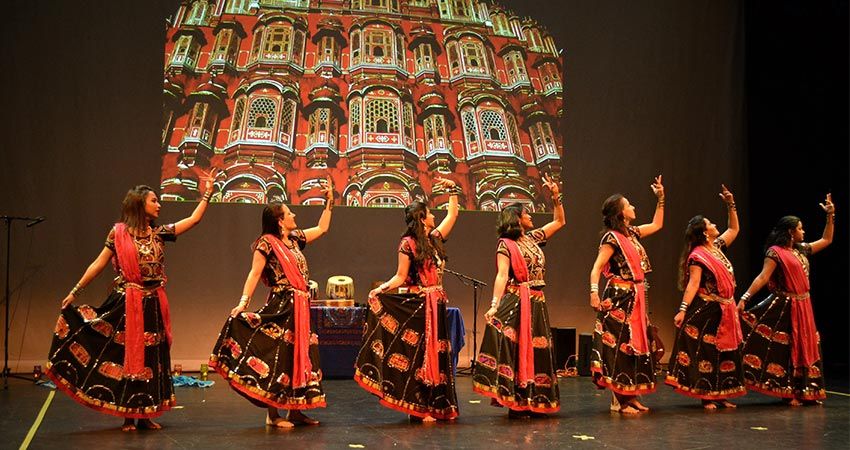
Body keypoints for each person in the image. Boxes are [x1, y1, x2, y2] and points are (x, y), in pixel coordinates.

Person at [47, 173, 216, 431]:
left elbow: (193, 220)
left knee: (152, 358)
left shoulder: (159, 233)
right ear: (140, 205)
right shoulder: (119, 234)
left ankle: (146, 414)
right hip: (127, 303)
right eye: (154, 201)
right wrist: (75, 291)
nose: (159, 205)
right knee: (128, 357)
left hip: (153, 304)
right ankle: (128, 415)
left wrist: (208, 192)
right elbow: (99, 263)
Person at [210, 177, 334, 428]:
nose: (294, 214)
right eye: (289, 212)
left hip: (301, 306)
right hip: (282, 306)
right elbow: (254, 273)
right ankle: (273, 414)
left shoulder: (296, 239)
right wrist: (243, 303)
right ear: (280, 220)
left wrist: (330, 201)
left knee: (302, 356)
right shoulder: (266, 243)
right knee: (279, 358)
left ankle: (297, 411)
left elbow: (321, 229)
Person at [354, 177, 460, 422]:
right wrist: (380, 290)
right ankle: (418, 408)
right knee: (419, 357)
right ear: (422, 217)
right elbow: (401, 277)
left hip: (438, 304)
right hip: (421, 306)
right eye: (430, 213)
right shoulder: (407, 244)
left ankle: (435, 405)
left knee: (439, 354)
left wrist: (452, 189)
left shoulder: (433, 239)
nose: (434, 216)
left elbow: (452, 216)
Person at [472, 175, 565, 418]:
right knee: (516, 349)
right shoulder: (505, 244)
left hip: (536, 302)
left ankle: (536, 399)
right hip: (517, 301)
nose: (531, 217)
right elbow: (502, 275)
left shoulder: (534, 238)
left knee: (537, 349)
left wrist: (556, 197)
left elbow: (559, 221)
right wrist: (494, 305)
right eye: (527, 214)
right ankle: (517, 401)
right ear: (517, 219)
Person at [738, 194, 835, 406]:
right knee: (787, 347)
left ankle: (807, 390)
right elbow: (763, 277)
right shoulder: (775, 252)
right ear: (791, 231)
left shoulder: (801, 250)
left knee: (807, 345)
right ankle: (788, 391)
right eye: (800, 228)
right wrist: (745, 297)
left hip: (805, 305)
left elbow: (827, 240)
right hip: (786, 306)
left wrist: (830, 216)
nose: (803, 232)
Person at [588, 175, 664, 414]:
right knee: (620, 347)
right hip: (620, 298)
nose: (633, 207)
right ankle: (620, 400)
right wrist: (593, 294)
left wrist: (661, 199)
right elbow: (596, 268)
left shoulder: (632, 234)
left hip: (636, 297)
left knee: (637, 346)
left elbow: (657, 225)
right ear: (620, 213)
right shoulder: (612, 238)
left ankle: (632, 396)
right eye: (629, 204)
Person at [666, 185, 745, 409]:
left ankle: (721, 394)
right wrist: (683, 309)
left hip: (726, 309)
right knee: (706, 352)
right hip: (708, 310)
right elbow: (693, 284)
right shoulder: (697, 255)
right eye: (711, 224)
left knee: (726, 352)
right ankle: (706, 395)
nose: (715, 226)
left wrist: (731, 204)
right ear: (704, 232)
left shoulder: (717, 247)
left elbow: (734, 229)